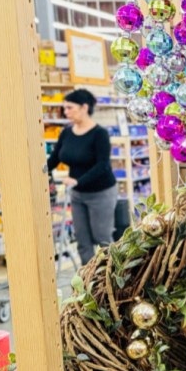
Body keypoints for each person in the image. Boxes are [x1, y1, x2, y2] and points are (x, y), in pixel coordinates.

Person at [47, 89, 117, 265]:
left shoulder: (99, 134)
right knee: (83, 241)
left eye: (70, 107)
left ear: (84, 107)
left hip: (101, 192)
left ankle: (112, 277)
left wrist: (78, 181)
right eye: (65, 108)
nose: (66, 112)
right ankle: (90, 282)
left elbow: (103, 165)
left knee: (102, 238)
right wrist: (39, 171)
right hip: (77, 194)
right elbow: (55, 158)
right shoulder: (66, 133)